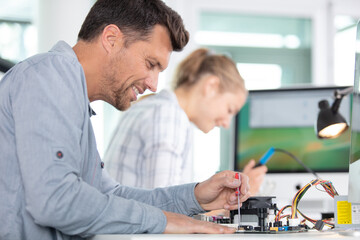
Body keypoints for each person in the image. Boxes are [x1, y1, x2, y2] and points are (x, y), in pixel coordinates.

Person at [0, 0, 250, 239]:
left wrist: (194, 198)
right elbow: (56, 199)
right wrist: (164, 221)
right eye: (150, 63)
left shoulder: (75, 100)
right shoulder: (49, 76)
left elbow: (110, 195)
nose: (153, 85)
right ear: (111, 39)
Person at [104, 48, 268, 196]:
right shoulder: (169, 116)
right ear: (211, 86)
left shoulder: (154, 106)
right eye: (229, 110)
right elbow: (167, 209)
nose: (226, 123)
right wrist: (242, 197)